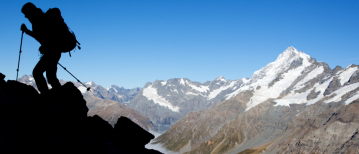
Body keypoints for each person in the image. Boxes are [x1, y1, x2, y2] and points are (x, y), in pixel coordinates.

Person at [21, 2, 65, 94]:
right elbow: (46, 37)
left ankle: (46, 96)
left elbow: (43, 37)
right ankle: (60, 98)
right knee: (51, 77)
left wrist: (27, 31)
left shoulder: (38, 20)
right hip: (55, 50)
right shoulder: (42, 17)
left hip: (52, 51)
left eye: (26, 13)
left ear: (30, 11)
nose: (25, 16)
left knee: (37, 72)